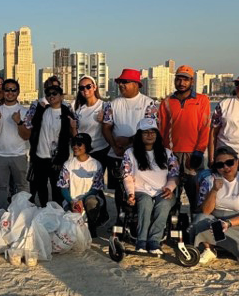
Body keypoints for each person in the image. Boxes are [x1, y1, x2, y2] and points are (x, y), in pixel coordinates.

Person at [192, 146, 239, 264]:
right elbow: (206, 211)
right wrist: (214, 190)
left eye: (230, 163)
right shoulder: (209, 180)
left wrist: (228, 223)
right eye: (220, 165)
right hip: (215, 220)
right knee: (200, 219)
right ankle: (209, 249)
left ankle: (235, 249)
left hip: (238, 222)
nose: (226, 167)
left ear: (237, 162)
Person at [103, 68, 157, 221]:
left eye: (125, 82)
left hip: (142, 155)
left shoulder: (148, 104)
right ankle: (121, 219)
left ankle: (140, 218)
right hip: (117, 154)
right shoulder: (112, 104)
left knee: (140, 188)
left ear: (136, 84)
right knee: (119, 190)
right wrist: (115, 146)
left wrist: (129, 141)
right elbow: (106, 128)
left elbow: (151, 129)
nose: (121, 85)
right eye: (120, 82)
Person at [122, 118, 180, 254]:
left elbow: (175, 174)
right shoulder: (130, 153)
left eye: (153, 132)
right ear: (139, 135)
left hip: (162, 190)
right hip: (141, 190)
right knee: (146, 203)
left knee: (164, 204)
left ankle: (154, 241)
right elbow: (127, 175)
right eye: (145, 132)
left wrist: (169, 188)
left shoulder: (167, 153)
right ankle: (141, 241)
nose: (149, 135)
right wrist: (130, 193)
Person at [157, 65, 210, 213]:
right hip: (171, 154)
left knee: (195, 193)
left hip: (192, 154)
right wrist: (161, 151)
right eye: (178, 79)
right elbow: (161, 129)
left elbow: (205, 127)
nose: (181, 83)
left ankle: (195, 227)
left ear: (191, 81)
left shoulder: (202, 100)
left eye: (185, 79)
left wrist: (199, 151)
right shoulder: (166, 102)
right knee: (171, 193)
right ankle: (172, 225)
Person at [0, 79, 32, 209]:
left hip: (19, 155)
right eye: (7, 89)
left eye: (13, 90)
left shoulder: (24, 111)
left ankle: (23, 212)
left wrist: (18, 122)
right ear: (3, 91)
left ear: (18, 92)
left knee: (22, 186)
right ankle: (1, 213)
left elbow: (26, 136)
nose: (10, 93)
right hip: (0, 155)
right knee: (1, 187)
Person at [27, 84, 74, 207]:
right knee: (41, 187)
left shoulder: (66, 114)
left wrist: (61, 159)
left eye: (54, 93)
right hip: (40, 157)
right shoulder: (42, 110)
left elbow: (68, 139)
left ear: (61, 96)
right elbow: (34, 128)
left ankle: (56, 211)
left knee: (56, 188)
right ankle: (44, 209)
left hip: (57, 159)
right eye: (48, 94)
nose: (51, 96)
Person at [57, 133, 106, 237]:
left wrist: (82, 200)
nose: (75, 147)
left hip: (88, 199)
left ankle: (92, 227)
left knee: (92, 202)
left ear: (87, 146)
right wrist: (71, 201)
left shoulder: (96, 164)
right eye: (73, 144)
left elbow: (96, 188)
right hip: (71, 201)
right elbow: (63, 187)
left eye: (79, 144)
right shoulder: (68, 164)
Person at [71, 76, 110, 170]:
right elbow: (76, 135)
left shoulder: (105, 106)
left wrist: (104, 121)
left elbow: (112, 129)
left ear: (95, 87)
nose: (85, 89)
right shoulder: (78, 109)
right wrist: (72, 128)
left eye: (88, 86)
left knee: (97, 182)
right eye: (81, 88)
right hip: (83, 153)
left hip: (101, 151)